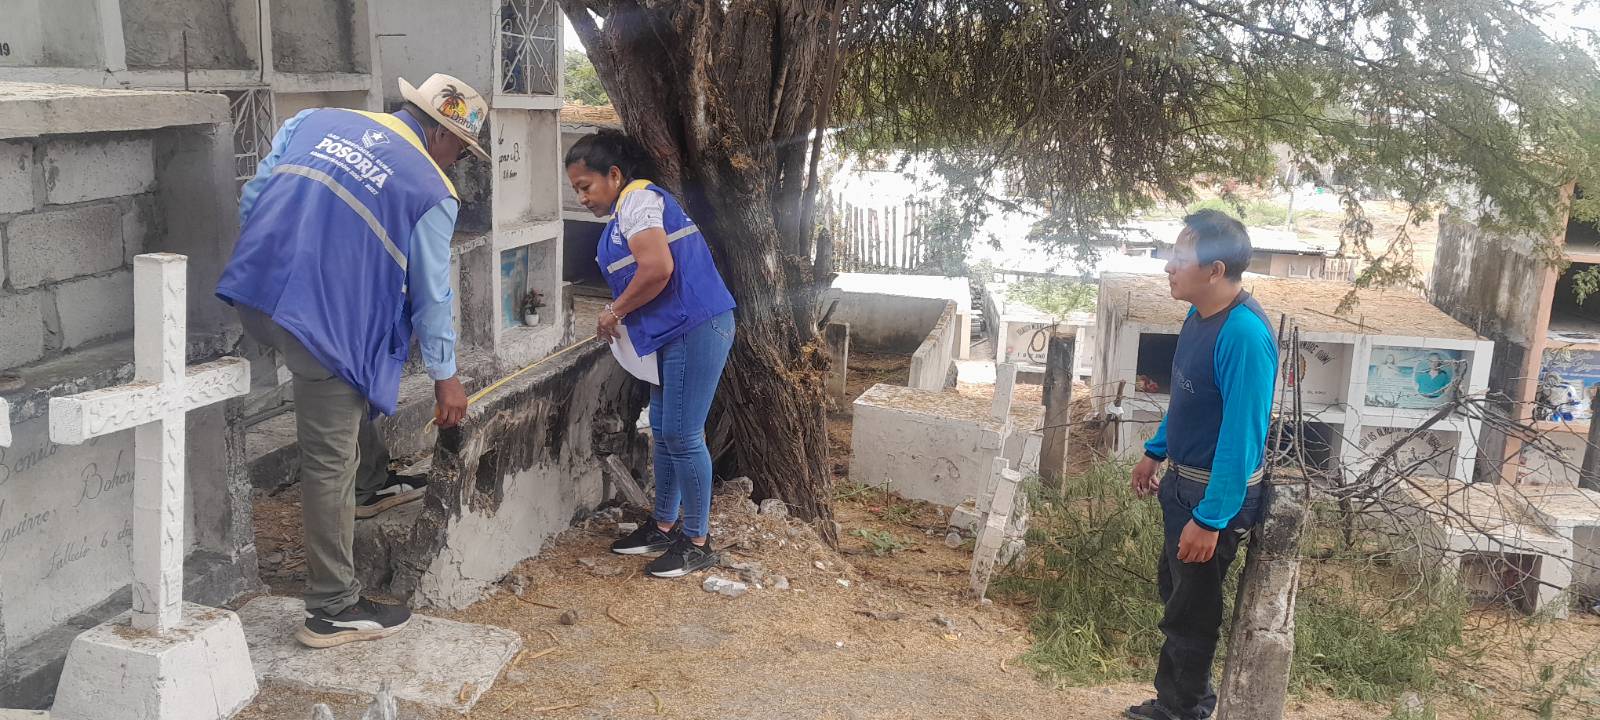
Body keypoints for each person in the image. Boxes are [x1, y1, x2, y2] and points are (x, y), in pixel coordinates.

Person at [215, 74, 489, 648]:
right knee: (327, 457)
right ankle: (332, 606)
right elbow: (432, 295)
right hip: (320, 325)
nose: (458, 162)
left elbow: (253, 198)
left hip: (256, 294)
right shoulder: (431, 189)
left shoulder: (313, 122)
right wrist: (446, 378)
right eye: (462, 150)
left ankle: (371, 485)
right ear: (442, 135)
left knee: (358, 370)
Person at [564, 130, 738, 578]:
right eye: (576, 190)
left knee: (683, 434)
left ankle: (697, 542)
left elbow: (658, 268)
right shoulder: (625, 211)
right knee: (663, 429)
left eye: (585, 186)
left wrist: (614, 311)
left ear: (614, 175)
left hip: (696, 326)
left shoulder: (638, 200)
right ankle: (663, 525)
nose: (582, 198)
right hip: (673, 332)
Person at [1127, 210, 1278, 720]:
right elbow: (1189, 398)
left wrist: (1211, 518)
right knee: (1176, 596)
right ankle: (1179, 700)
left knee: (1192, 612)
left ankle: (1183, 710)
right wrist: (1156, 450)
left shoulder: (1243, 335)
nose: (1168, 267)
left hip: (1213, 494)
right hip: (1183, 482)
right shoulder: (1198, 316)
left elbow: (1243, 437)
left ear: (1215, 270)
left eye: (1180, 258)